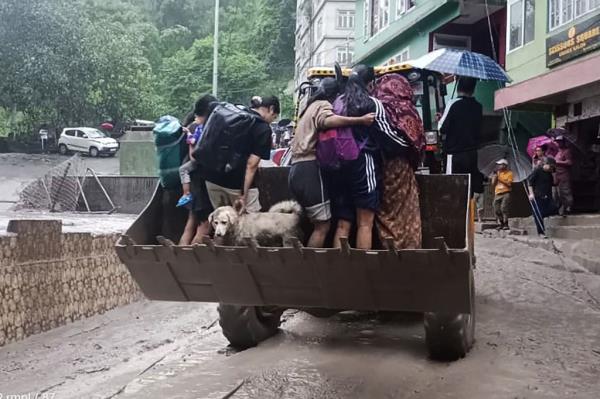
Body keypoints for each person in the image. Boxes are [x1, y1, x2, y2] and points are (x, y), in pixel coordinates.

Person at [289, 77, 375, 248]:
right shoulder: (323, 105)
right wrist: (360, 120)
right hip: (309, 168)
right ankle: (311, 266)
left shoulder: (308, 107)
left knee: (319, 223)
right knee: (322, 226)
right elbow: (327, 121)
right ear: (334, 94)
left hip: (296, 168)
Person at [327, 65, 381, 250]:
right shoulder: (369, 103)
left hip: (339, 165)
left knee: (343, 223)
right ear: (370, 83)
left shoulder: (338, 101)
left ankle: (338, 269)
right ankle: (361, 272)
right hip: (362, 162)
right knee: (365, 223)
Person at [370, 73, 424, 249]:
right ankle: (409, 249)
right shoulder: (409, 110)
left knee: (384, 210)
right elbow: (418, 142)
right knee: (406, 211)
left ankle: (387, 248)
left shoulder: (376, 106)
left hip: (377, 166)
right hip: (402, 167)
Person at [203, 95, 279, 213]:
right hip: (235, 183)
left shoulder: (231, 114)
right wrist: (244, 194)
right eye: (274, 117)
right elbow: (251, 165)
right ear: (271, 109)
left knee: (223, 222)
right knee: (250, 223)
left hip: (211, 178)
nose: (272, 121)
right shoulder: (262, 128)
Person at [178, 95, 218, 246]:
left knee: (190, 224)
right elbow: (194, 157)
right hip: (201, 185)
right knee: (204, 227)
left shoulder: (191, 126)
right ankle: (188, 262)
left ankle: (179, 257)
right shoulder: (203, 128)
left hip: (192, 185)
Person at [439, 76, 483, 196]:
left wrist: (442, 118)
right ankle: (470, 213)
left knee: (453, 187)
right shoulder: (478, 107)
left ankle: (456, 214)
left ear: (458, 87)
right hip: (472, 154)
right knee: (469, 189)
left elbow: (442, 129)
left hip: (455, 154)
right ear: (473, 89)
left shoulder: (453, 104)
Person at [528, 157, 558, 237]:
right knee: (538, 214)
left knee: (554, 209)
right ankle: (541, 232)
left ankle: (537, 215)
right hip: (537, 196)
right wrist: (531, 194)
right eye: (551, 167)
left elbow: (553, 184)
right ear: (546, 164)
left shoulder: (549, 175)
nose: (551, 169)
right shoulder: (537, 171)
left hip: (547, 196)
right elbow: (530, 183)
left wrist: (554, 174)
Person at [491, 159, 513, 230]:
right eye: (498, 165)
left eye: (500, 164)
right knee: (496, 209)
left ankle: (506, 224)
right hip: (497, 193)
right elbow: (493, 184)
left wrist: (500, 179)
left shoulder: (509, 173)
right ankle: (501, 223)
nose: (499, 166)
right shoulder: (497, 173)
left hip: (506, 192)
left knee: (504, 208)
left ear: (504, 165)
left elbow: (509, 184)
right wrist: (494, 177)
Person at [554, 136, 574, 215]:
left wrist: (558, 162)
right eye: (557, 142)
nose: (558, 143)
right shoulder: (557, 152)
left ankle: (568, 207)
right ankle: (560, 208)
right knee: (557, 193)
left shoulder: (567, 151)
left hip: (564, 174)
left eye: (560, 141)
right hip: (556, 175)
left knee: (565, 191)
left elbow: (569, 162)